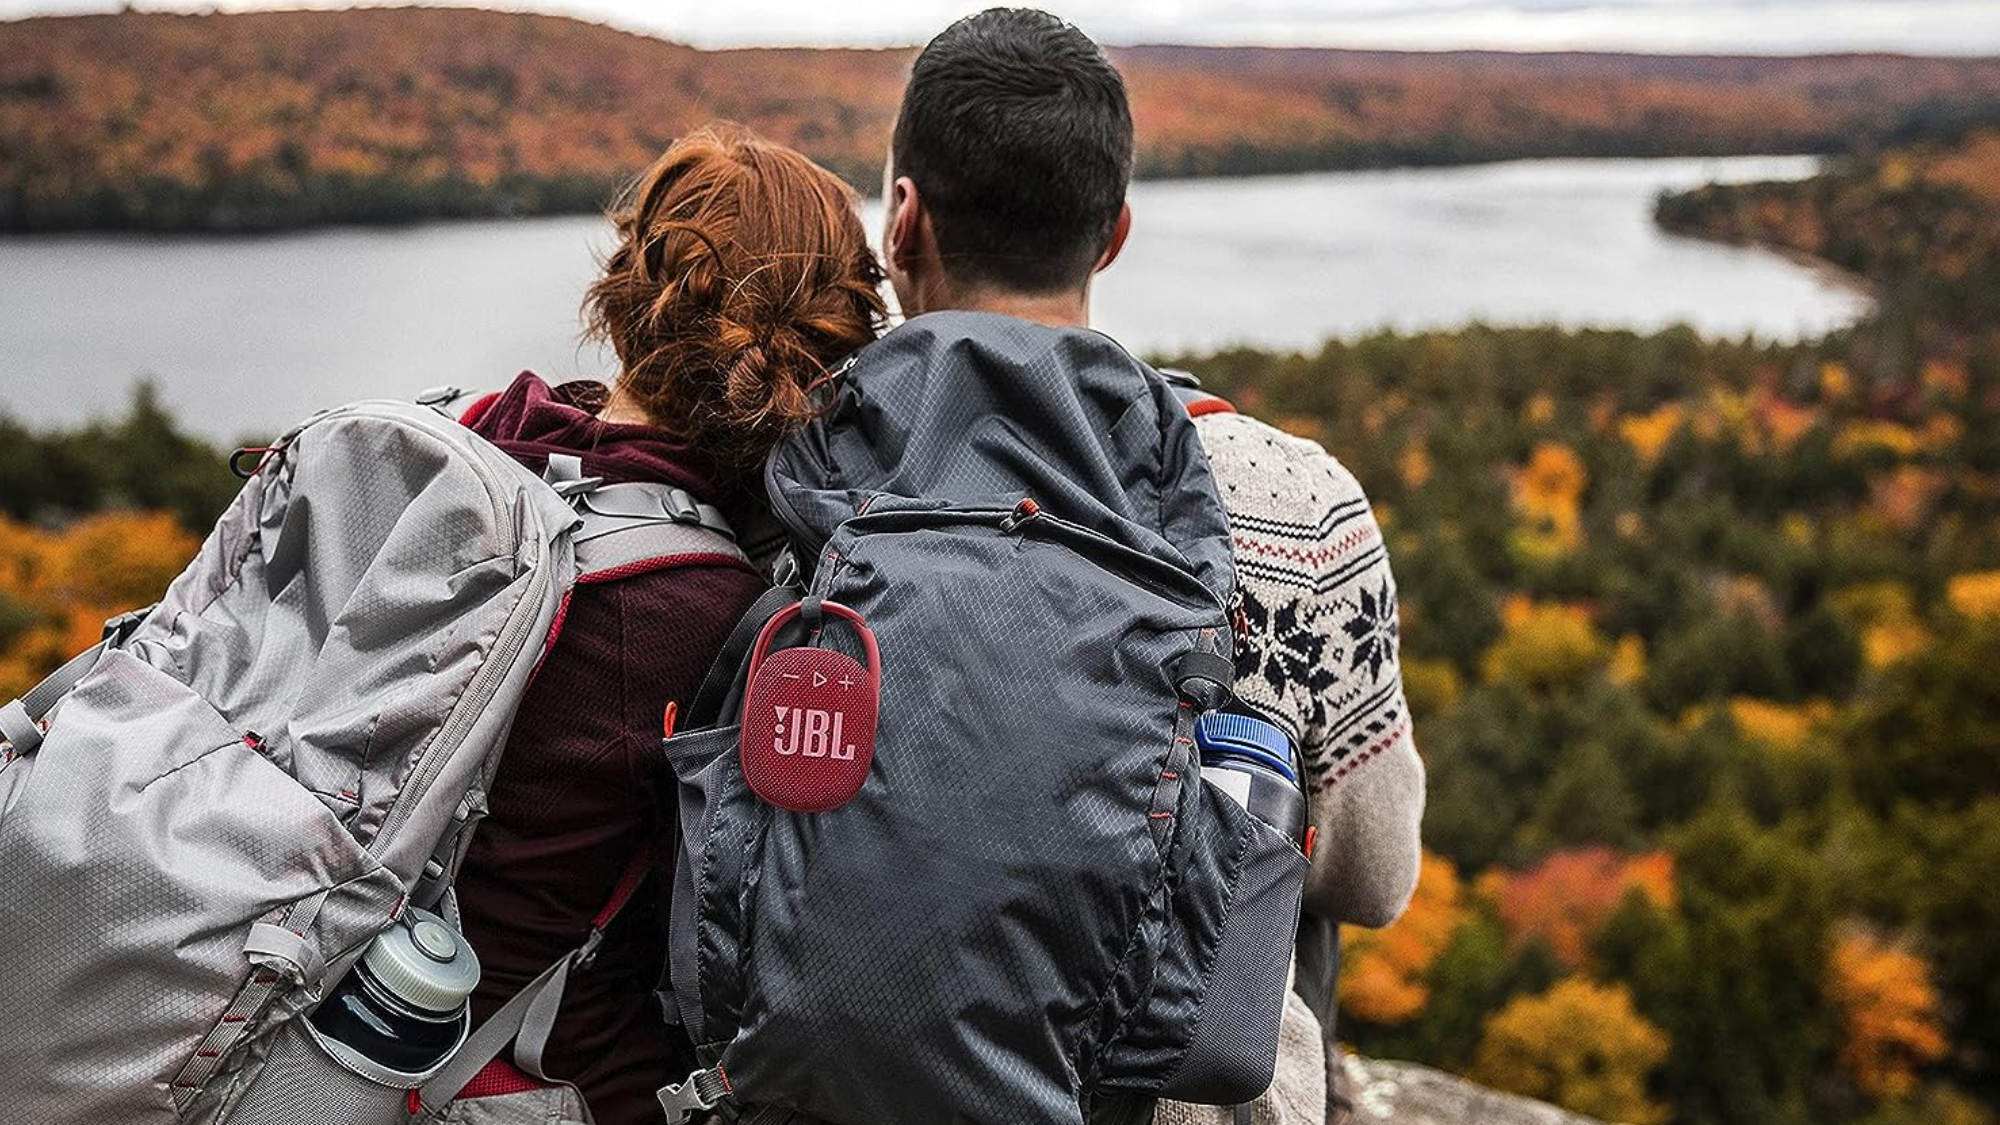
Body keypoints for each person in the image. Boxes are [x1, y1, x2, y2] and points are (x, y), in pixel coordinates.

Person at [873, 11, 1426, 1123]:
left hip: (864, 1073)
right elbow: (1373, 876)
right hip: (1172, 1094)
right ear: (1113, 233)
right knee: (1271, 856)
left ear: (901, 222)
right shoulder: (1296, 503)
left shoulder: (809, 481)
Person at [447, 125, 886, 1125]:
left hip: (338, 1006)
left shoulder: (479, 445)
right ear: (831, 345)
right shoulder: (717, 612)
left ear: (630, 289)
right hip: (551, 1079)